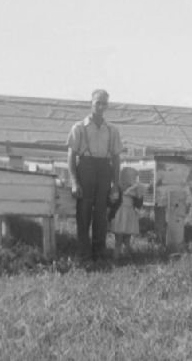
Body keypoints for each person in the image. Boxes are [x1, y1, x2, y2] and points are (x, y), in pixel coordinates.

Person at [67, 89, 123, 260]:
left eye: (104, 103)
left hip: (104, 168)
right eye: (97, 102)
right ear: (90, 103)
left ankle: (99, 252)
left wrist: (115, 185)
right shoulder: (79, 127)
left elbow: (116, 158)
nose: (100, 106)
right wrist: (74, 181)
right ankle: (84, 253)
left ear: (107, 106)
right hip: (86, 167)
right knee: (83, 211)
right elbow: (71, 155)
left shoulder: (112, 130)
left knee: (101, 212)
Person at [110, 167, 147, 259]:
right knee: (118, 239)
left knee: (127, 239)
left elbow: (138, 205)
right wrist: (115, 196)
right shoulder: (117, 187)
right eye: (132, 177)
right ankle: (116, 258)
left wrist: (139, 196)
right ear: (123, 177)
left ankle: (126, 256)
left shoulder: (135, 188)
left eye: (134, 178)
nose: (133, 180)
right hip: (119, 214)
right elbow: (111, 201)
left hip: (129, 214)